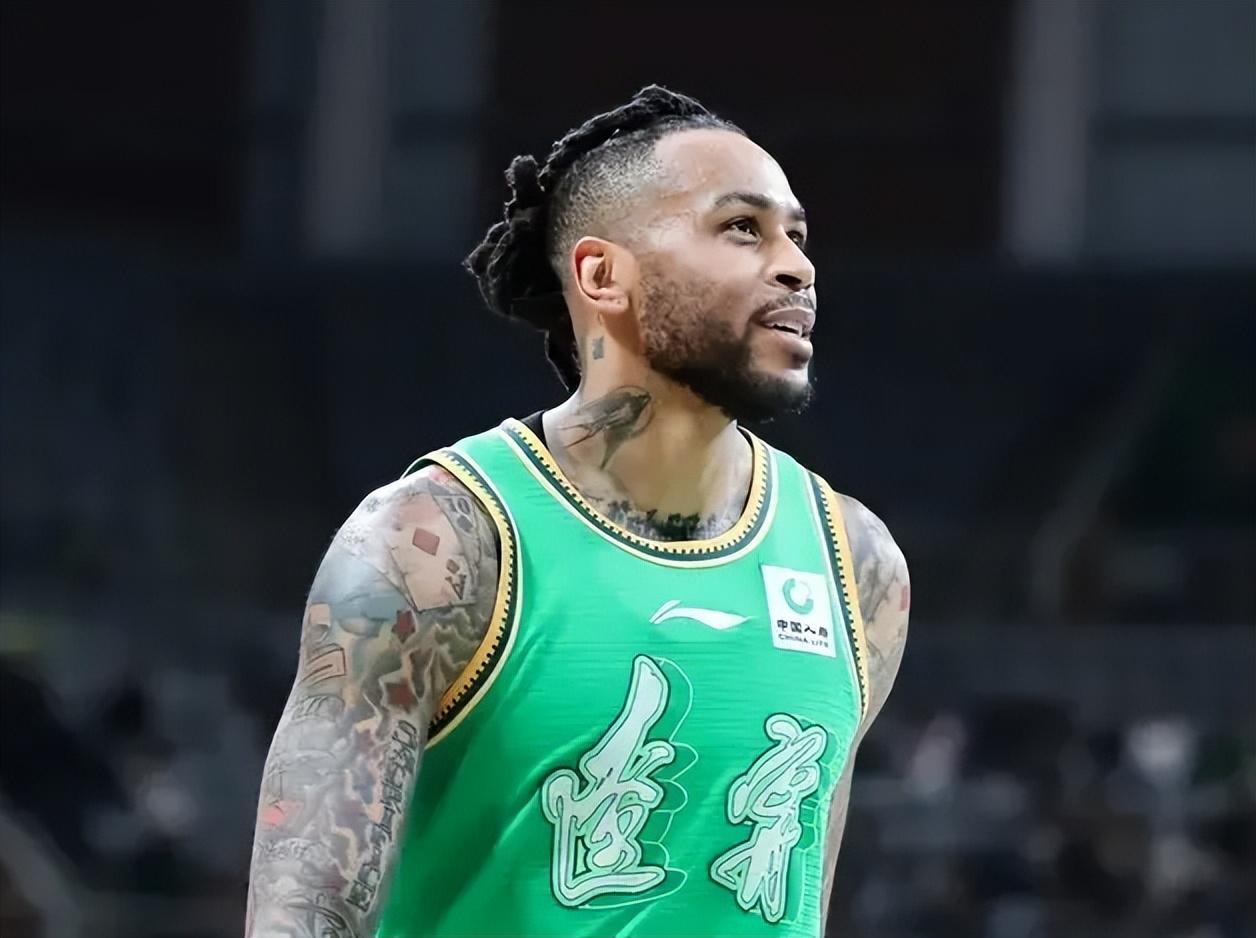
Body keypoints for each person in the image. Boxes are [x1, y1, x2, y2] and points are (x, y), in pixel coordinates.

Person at [245, 84, 910, 938]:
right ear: (603, 275)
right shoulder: (439, 541)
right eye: (742, 228)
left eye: (798, 236)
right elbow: (306, 912)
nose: (796, 267)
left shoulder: (857, 563)